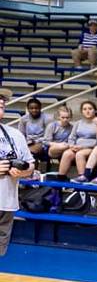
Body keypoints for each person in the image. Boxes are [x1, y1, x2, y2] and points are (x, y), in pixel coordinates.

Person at [0, 94, 36, 255]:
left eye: (2, 105)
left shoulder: (15, 134)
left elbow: (31, 165)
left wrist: (21, 171)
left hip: (6, 203)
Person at [57, 101, 97, 178]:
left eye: (90, 109)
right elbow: (72, 137)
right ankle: (60, 179)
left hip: (92, 148)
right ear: (81, 111)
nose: (87, 111)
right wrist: (72, 145)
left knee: (80, 154)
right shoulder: (78, 123)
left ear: (95, 110)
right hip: (77, 147)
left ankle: (83, 178)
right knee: (67, 154)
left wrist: (83, 147)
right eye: (84, 109)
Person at [16, 98, 51, 164]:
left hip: (42, 142)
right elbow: (20, 134)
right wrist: (26, 142)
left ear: (40, 108)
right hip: (28, 143)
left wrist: (35, 141)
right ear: (28, 109)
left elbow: (48, 136)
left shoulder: (46, 118)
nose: (34, 110)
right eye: (31, 108)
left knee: (29, 152)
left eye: (36, 108)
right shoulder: (24, 119)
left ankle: (33, 170)